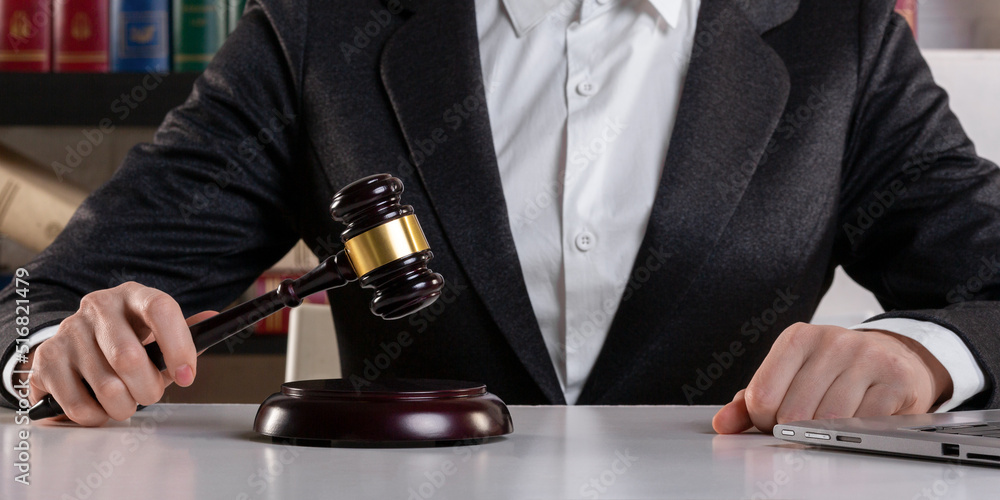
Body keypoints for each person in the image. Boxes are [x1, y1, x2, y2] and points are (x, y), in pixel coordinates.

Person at [2, 0, 999, 434]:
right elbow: (32, 297)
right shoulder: (320, 30)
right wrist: (52, 349)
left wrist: (928, 356)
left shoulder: (844, 36)